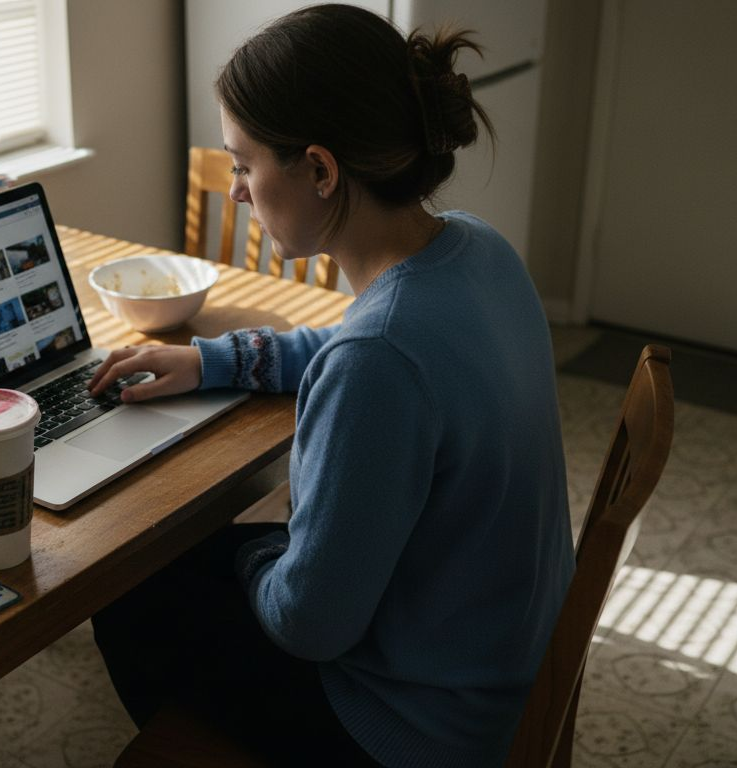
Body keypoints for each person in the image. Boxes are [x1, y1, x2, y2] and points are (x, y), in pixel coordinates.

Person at [87, 5, 574, 766]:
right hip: (493, 663)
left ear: (319, 169)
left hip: (411, 727)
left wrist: (245, 548)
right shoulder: (478, 251)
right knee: (202, 568)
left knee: (128, 588)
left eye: (245, 164)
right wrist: (212, 361)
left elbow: (307, 625)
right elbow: (358, 347)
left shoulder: (380, 358)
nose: (239, 191)